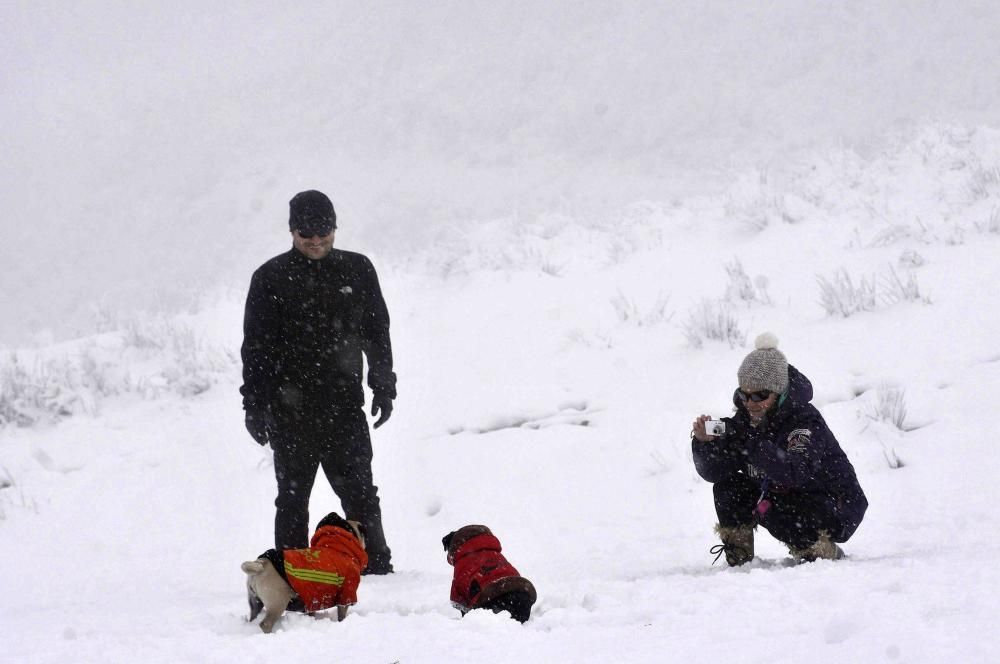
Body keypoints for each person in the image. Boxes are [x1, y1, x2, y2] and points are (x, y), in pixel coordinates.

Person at [241, 189, 396, 574]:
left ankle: (376, 567)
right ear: (292, 232)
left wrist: (383, 383)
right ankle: (293, 572)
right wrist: (254, 405)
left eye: (323, 234)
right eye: (305, 235)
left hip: (344, 406)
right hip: (289, 412)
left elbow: (376, 332)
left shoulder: (357, 270)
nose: (315, 242)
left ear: (335, 228)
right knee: (292, 501)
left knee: (361, 495)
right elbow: (256, 349)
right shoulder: (270, 278)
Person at [690, 332, 867, 565]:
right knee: (728, 488)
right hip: (787, 494)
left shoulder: (804, 421)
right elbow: (713, 473)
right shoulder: (744, 422)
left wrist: (751, 442)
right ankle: (739, 559)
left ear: (779, 392)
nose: (751, 403)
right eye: (745, 395)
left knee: (780, 510)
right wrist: (704, 444)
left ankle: (822, 551)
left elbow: (795, 472)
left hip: (834, 505)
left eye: (761, 395)